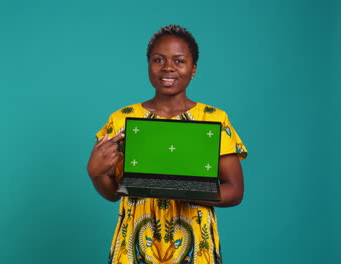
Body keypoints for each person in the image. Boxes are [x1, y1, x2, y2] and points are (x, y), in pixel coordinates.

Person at [87, 25, 247, 264]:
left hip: (195, 242)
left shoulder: (214, 119)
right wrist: (95, 173)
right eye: (158, 59)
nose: (168, 67)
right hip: (135, 241)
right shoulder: (121, 120)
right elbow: (112, 193)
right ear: (149, 65)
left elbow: (235, 190)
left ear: (193, 69)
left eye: (179, 61)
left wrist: (183, 190)